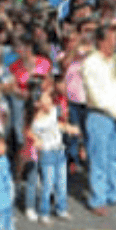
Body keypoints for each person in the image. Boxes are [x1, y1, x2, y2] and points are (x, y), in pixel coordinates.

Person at [82, 26, 116, 215]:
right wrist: (114, 111)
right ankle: (98, 199)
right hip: (100, 115)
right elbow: (94, 94)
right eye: (111, 39)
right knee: (99, 159)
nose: (115, 43)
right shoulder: (90, 63)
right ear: (101, 42)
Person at [25, 78, 74, 222]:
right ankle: (44, 212)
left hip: (59, 150)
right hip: (47, 153)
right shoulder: (35, 122)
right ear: (37, 104)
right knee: (48, 184)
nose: (49, 102)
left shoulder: (53, 111)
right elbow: (29, 133)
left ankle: (61, 209)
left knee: (62, 183)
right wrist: (36, 140)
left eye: (49, 100)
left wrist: (68, 127)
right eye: (45, 100)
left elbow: (59, 123)